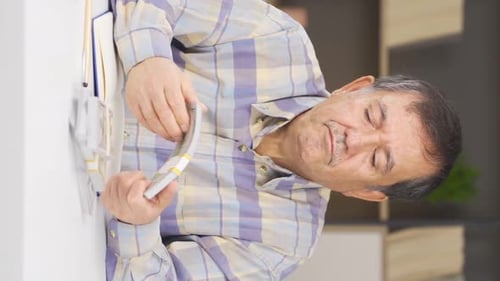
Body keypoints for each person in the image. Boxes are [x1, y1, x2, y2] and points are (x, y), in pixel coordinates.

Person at [103, 0, 462, 280]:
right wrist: (148, 59)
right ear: (354, 88)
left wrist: (137, 226)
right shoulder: (276, 38)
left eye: (376, 160)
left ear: (366, 192)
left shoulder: (281, 247)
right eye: (370, 115)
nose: (355, 139)